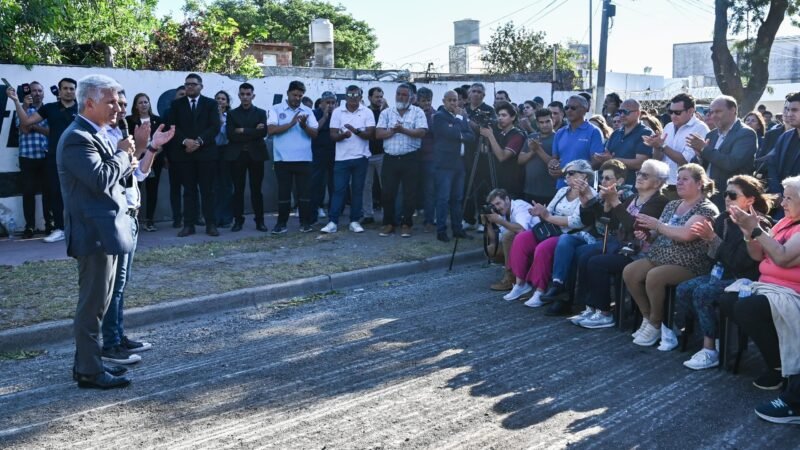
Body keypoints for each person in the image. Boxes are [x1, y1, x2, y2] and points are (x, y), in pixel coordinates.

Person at [58, 74, 133, 389]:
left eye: (117, 101)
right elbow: (100, 178)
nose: (117, 108)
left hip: (105, 230)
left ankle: (87, 364)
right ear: (89, 103)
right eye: (111, 102)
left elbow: (120, 174)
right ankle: (89, 371)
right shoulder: (78, 137)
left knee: (98, 304)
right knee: (92, 306)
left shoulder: (98, 132)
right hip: (93, 233)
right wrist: (122, 153)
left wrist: (127, 154)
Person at [718, 176, 800, 424]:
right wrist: (747, 233)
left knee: (748, 307)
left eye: (789, 198)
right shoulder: (785, 221)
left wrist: (756, 229)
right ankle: (777, 366)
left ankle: (782, 371)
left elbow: (783, 257)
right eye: (784, 196)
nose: (782, 202)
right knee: (727, 301)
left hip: (791, 292)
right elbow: (757, 255)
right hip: (767, 285)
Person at [102, 93, 174, 366]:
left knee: (121, 285)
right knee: (113, 286)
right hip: (116, 219)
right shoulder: (106, 139)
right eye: (116, 104)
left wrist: (151, 148)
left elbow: (139, 174)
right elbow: (111, 177)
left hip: (131, 218)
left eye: (122, 105)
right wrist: (136, 148)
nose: (119, 109)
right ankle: (110, 344)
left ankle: (118, 337)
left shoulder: (122, 137)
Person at [674, 175, 771, 370]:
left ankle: (710, 349)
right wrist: (708, 240)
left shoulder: (758, 224)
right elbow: (714, 258)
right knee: (684, 289)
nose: (727, 198)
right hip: (722, 274)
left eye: (733, 195)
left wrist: (713, 239)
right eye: (726, 193)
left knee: (703, 293)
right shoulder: (724, 219)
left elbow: (740, 264)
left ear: (750, 200)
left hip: (744, 280)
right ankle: (712, 334)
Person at [622, 163, 719, 349]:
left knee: (655, 276)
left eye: (685, 179)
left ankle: (656, 323)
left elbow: (685, 235)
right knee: (630, 271)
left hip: (689, 262)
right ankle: (647, 317)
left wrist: (657, 225)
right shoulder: (672, 204)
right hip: (660, 255)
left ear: (699, 184)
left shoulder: (706, 209)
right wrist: (648, 234)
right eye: (678, 178)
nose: (679, 182)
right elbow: (659, 233)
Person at [575, 160, 670, 328]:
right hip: (623, 248)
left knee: (597, 263)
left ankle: (604, 313)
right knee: (585, 255)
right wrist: (595, 203)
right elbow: (611, 224)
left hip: (639, 254)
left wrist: (616, 202)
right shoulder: (633, 198)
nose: (639, 177)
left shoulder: (659, 201)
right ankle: (591, 306)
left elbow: (634, 227)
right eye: (639, 173)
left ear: (658, 182)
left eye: (645, 175)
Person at [540, 160, 635, 314]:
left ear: (620, 181)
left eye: (608, 178)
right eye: (602, 177)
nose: (603, 181)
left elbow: (612, 227)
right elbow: (591, 218)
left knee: (579, 252)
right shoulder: (601, 194)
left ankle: (574, 301)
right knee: (568, 244)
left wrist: (610, 203)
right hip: (597, 237)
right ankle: (562, 292)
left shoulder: (626, 195)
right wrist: (587, 203)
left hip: (612, 241)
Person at [505, 160, 596, 304]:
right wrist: (540, 211)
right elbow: (549, 210)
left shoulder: (590, 194)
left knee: (543, 248)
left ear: (585, 176)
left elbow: (577, 222)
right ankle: (520, 283)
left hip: (571, 235)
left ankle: (540, 290)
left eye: (571, 173)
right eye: (566, 173)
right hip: (551, 230)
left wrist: (548, 216)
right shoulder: (562, 191)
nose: (567, 176)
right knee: (521, 238)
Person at [8, 77, 78, 243]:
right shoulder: (50, 108)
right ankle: (59, 228)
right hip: (54, 157)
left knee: (77, 192)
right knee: (55, 192)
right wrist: (17, 101)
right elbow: (25, 123)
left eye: (71, 89)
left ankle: (79, 228)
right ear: (59, 91)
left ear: (76, 91)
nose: (68, 91)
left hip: (78, 157)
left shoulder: (83, 108)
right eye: (65, 88)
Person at [167, 73, 222, 237]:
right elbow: (172, 127)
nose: (189, 87)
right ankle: (189, 225)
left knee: (208, 191)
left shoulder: (211, 104)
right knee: (189, 191)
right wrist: (185, 142)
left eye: (193, 84)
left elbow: (214, 127)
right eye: (187, 84)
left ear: (201, 86)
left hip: (206, 154)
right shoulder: (176, 105)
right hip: (185, 154)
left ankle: (210, 224)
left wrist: (198, 141)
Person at [686, 95, 758, 211]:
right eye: (711, 112)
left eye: (718, 112)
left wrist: (704, 149)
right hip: (706, 194)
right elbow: (701, 165)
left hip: (730, 197)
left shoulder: (746, 134)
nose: (713, 116)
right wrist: (699, 155)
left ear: (733, 110)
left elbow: (731, 163)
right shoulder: (711, 135)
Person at [375, 83, 428, 238]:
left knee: (409, 193)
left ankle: (406, 224)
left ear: (411, 97)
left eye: (404, 94)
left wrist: (403, 130)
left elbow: (421, 132)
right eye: (398, 94)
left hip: (410, 158)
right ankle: (389, 223)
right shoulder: (386, 112)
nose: (400, 97)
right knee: (387, 193)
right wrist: (393, 131)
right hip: (390, 158)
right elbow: (378, 134)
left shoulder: (417, 112)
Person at [267, 80, 319, 234]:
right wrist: (290, 123)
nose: (297, 98)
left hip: (304, 159)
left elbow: (315, 134)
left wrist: (304, 126)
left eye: (300, 96)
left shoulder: (308, 111)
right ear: (288, 93)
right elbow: (271, 130)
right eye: (294, 95)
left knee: (304, 194)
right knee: (283, 194)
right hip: (282, 160)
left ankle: (305, 223)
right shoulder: (276, 109)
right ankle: (281, 224)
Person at [323, 85, 376, 234]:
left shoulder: (367, 112)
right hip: (342, 158)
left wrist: (355, 131)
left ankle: (354, 221)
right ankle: (333, 222)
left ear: (361, 97)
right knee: (338, 190)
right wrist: (343, 136)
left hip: (361, 157)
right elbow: (332, 135)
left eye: (356, 96)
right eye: (350, 95)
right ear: (345, 97)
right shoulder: (338, 112)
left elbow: (371, 134)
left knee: (357, 190)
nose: (353, 99)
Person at [643, 93, 710, 198]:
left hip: (684, 187)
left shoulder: (700, 128)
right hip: (663, 184)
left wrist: (662, 146)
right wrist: (656, 146)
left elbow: (686, 162)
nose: (673, 116)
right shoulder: (669, 127)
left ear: (691, 111)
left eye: (677, 112)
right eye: (670, 112)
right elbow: (658, 159)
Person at [431, 90, 475, 242]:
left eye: (455, 100)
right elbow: (448, 133)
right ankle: (441, 230)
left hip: (459, 163)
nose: (453, 103)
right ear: (444, 101)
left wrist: (458, 132)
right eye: (450, 100)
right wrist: (458, 126)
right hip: (444, 164)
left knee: (457, 198)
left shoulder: (461, 117)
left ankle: (457, 229)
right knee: (443, 198)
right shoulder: (438, 117)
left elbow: (471, 136)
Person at [226, 82, 268, 232]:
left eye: (248, 94)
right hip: (237, 156)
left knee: (257, 190)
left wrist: (242, 130)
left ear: (253, 96)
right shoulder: (232, 114)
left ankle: (260, 221)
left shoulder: (261, 113)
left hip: (256, 155)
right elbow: (231, 135)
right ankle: (238, 221)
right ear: (239, 96)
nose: (245, 97)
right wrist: (252, 131)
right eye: (242, 94)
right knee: (238, 190)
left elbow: (262, 133)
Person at [483, 188, 537, 292]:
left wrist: (500, 221)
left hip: (536, 242)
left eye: (499, 203)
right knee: (491, 249)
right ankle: (521, 270)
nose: (497, 207)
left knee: (509, 235)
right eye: (494, 205)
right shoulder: (502, 213)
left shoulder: (520, 206)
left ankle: (511, 278)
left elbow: (521, 229)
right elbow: (494, 240)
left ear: (507, 199)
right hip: (522, 246)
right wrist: (488, 224)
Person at [14, 81, 49, 238]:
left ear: (43, 93)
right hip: (27, 156)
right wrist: (25, 108)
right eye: (34, 91)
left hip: (46, 156)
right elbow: (24, 129)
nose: (37, 93)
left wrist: (34, 126)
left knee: (49, 192)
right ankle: (30, 226)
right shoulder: (22, 110)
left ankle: (50, 225)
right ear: (29, 93)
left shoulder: (49, 110)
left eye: (39, 90)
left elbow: (51, 132)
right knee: (28, 192)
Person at [126, 93, 164, 232]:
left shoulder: (158, 120)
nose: (143, 105)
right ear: (135, 105)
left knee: (152, 190)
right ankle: (133, 219)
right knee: (135, 189)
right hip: (136, 159)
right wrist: (140, 152)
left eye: (146, 102)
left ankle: (150, 220)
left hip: (155, 159)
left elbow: (162, 141)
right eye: (140, 102)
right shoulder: (129, 120)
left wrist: (153, 151)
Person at [594, 99, 653, 185]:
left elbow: (640, 163)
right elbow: (607, 156)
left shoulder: (646, 133)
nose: (622, 115)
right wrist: (601, 158)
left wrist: (612, 160)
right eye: (620, 111)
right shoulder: (616, 133)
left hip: (633, 188)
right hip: (612, 186)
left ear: (638, 113)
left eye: (626, 112)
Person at [549, 95, 604, 187]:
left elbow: (596, 162)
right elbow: (555, 158)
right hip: (562, 187)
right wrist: (552, 167)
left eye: (573, 108)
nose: (569, 110)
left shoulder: (594, 132)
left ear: (584, 109)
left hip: (583, 188)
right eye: (567, 108)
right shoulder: (560, 132)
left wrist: (568, 172)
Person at [478, 101, 526, 198]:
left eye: (504, 115)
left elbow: (502, 157)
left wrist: (490, 136)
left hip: (511, 184)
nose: (500, 118)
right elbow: (486, 150)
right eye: (499, 115)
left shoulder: (517, 135)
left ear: (513, 117)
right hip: (495, 179)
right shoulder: (499, 133)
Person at [518, 109, 557, 205]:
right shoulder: (531, 137)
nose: (544, 125)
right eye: (541, 122)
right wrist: (532, 152)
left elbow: (555, 165)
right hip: (530, 190)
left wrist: (538, 149)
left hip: (550, 192)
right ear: (537, 123)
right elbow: (520, 160)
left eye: (548, 121)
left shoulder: (558, 138)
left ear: (553, 121)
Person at [310, 91, 337, 224]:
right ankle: (313, 214)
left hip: (335, 154)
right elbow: (314, 130)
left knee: (334, 185)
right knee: (316, 184)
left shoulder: (338, 115)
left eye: (333, 103)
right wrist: (325, 117)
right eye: (327, 102)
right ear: (321, 103)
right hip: (318, 153)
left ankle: (334, 214)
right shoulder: (314, 114)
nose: (330, 105)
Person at [767, 92, 800, 197]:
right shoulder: (785, 137)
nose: (789, 114)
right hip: (784, 201)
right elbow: (772, 165)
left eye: (794, 110)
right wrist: (778, 193)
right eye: (788, 110)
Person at [416, 87, 437, 233]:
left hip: (430, 158)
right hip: (413, 156)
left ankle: (429, 220)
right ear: (417, 101)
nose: (426, 103)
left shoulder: (436, 116)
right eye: (423, 101)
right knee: (411, 189)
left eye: (428, 100)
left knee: (430, 190)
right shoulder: (412, 114)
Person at [363, 87, 385, 224]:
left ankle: (387, 214)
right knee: (366, 186)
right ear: (370, 97)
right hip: (366, 154)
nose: (379, 99)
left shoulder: (386, 113)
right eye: (377, 97)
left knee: (386, 186)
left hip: (382, 154)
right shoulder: (364, 112)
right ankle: (368, 215)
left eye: (381, 96)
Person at [213, 90, 234, 228]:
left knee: (226, 186)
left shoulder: (231, 116)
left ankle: (226, 218)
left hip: (227, 151)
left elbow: (228, 134)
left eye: (223, 99)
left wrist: (220, 116)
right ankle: (214, 217)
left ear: (227, 103)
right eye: (218, 98)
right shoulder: (208, 115)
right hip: (212, 152)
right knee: (214, 186)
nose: (220, 101)